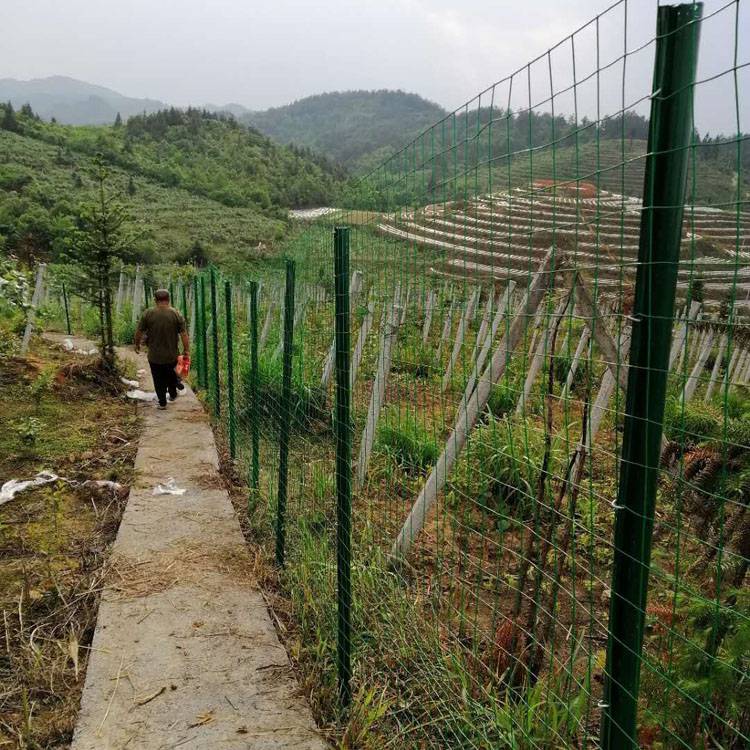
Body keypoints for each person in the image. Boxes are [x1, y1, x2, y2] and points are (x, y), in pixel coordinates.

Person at [134, 289, 189, 410]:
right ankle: (173, 393)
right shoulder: (176, 314)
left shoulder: (148, 314)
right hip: (172, 355)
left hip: (155, 356)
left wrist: (137, 344)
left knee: (158, 379)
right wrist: (186, 350)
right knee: (171, 375)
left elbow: (139, 331)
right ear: (168, 300)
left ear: (155, 300)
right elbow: (184, 334)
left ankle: (162, 402)